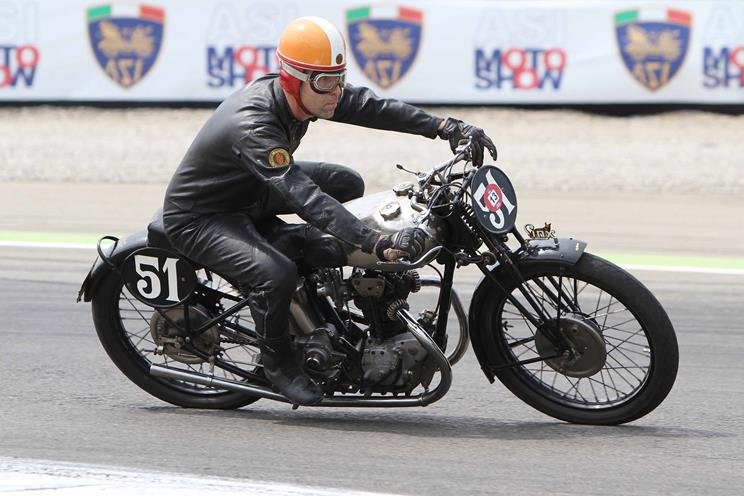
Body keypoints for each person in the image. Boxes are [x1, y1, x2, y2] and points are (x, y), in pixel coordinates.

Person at [162, 16, 496, 405]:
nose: (337, 91)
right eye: (326, 81)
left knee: (346, 182)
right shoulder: (254, 125)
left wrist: (445, 126)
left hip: (248, 191)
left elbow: (373, 106)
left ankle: (319, 297)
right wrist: (376, 243)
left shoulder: (313, 93)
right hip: (201, 217)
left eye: (340, 79)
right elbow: (304, 197)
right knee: (276, 274)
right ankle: (278, 363)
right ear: (292, 79)